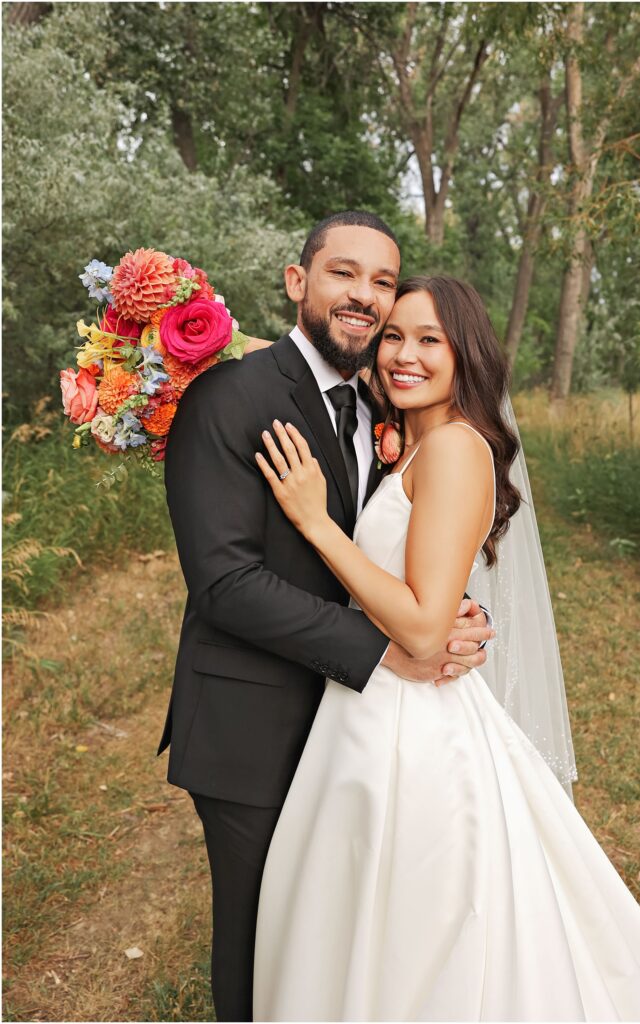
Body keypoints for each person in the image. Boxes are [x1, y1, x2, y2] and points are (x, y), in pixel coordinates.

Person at [253, 275, 640, 1021]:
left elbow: (421, 628)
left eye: (430, 341)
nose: (404, 355)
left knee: (415, 929)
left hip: (408, 726)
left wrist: (316, 523)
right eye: (394, 336)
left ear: (467, 357)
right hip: (364, 703)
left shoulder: (454, 448)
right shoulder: (410, 446)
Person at [160, 212, 494, 1022]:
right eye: (345, 273)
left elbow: (403, 549)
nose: (366, 297)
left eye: (383, 282)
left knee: (326, 939)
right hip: (251, 723)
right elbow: (227, 583)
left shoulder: (379, 409)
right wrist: (394, 648)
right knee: (259, 941)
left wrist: (449, 609)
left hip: (348, 728)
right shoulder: (230, 396)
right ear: (296, 281)